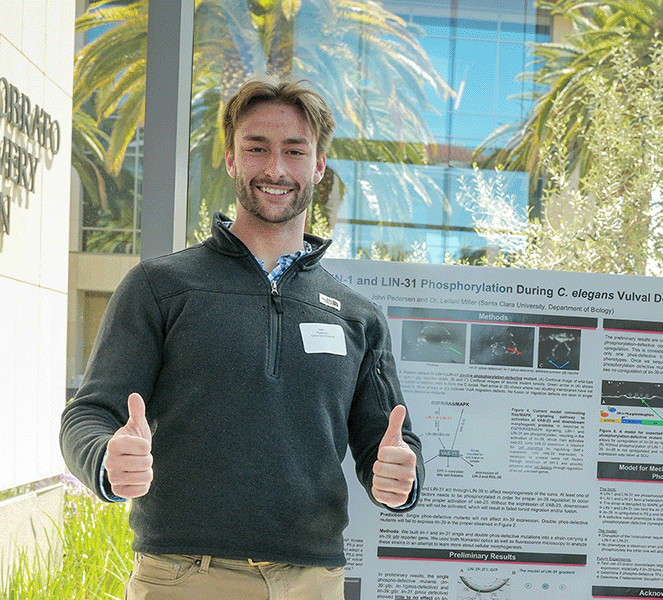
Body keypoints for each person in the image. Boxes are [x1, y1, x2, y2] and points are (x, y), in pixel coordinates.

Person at [60, 74, 423, 600]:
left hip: (312, 585)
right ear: (231, 159)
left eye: (294, 151)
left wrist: (398, 477)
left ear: (319, 165)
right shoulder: (160, 288)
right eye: (257, 148)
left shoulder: (357, 316)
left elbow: (389, 445)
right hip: (182, 579)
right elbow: (87, 415)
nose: (275, 169)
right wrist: (103, 457)